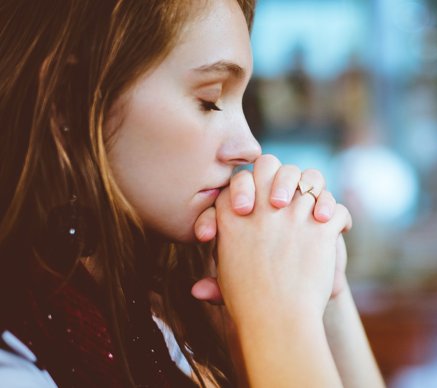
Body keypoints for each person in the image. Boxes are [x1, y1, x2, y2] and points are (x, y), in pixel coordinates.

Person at [0, 0, 384, 387]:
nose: (249, 147)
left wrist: (323, 295)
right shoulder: (16, 356)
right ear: (70, 96)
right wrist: (278, 316)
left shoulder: (169, 303)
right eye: (210, 99)